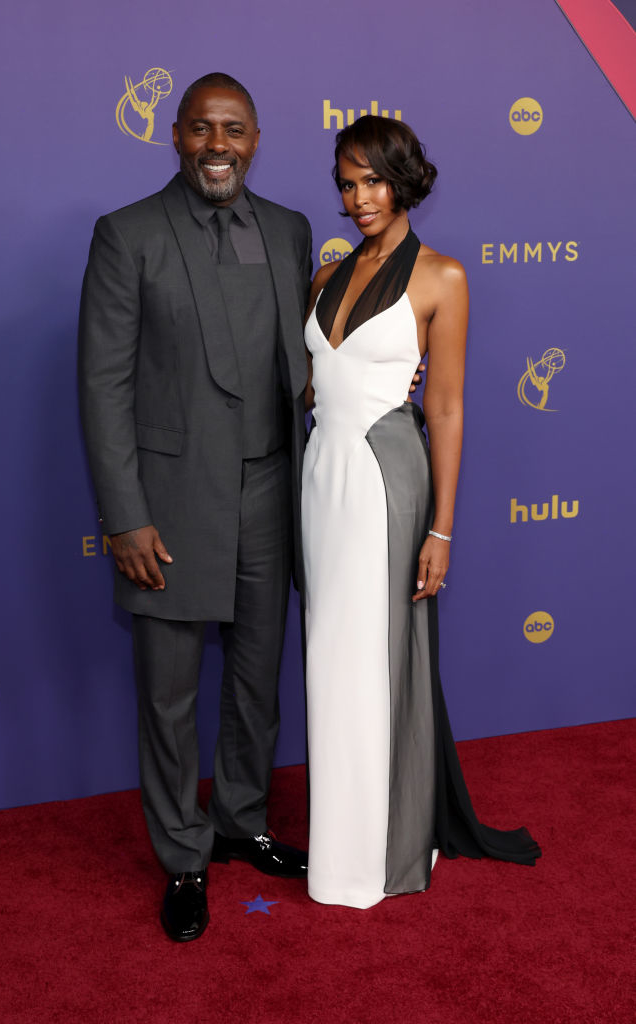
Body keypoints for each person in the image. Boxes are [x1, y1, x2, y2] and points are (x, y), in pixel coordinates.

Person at [78, 73, 314, 943]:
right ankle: (183, 856)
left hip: (271, 492)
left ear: (256, 139)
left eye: (236, 130)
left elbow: (308, 362)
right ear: (174, 136)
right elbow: (102, 387)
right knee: (169, 695)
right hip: (169, 506)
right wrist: (123, 515)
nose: (220, 146)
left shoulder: (290, 231)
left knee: (256, 680)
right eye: (203, 130)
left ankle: (241, 822)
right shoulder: (128, 235)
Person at [302, 115, 541, 909]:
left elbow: (443, 409)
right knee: (330, 660)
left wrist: (440, 526)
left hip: (383, 480)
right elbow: (316, 384)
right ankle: (339, 837)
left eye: (372, 179)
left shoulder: (441, 277)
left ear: (403, 181)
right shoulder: (326, 276)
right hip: (321, 478)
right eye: (346, 181)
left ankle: (382, 851)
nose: (358, 196)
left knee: (374, 661)